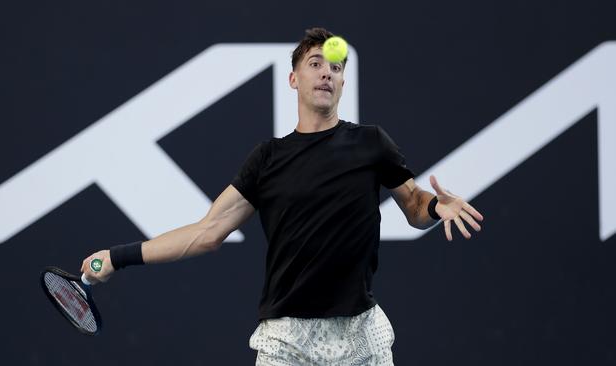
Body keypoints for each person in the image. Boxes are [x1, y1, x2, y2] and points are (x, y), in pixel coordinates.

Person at [81, 27, 484, 365]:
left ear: (343, 82)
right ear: (294, 79)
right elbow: (206, 232)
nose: (326, 72)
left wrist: (435, 206)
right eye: (315, 64)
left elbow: (414, 205)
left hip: (362, 336)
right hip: (286, 341)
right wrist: (119, 256)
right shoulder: (267, 160)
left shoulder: (371, 143)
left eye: (335, 67)